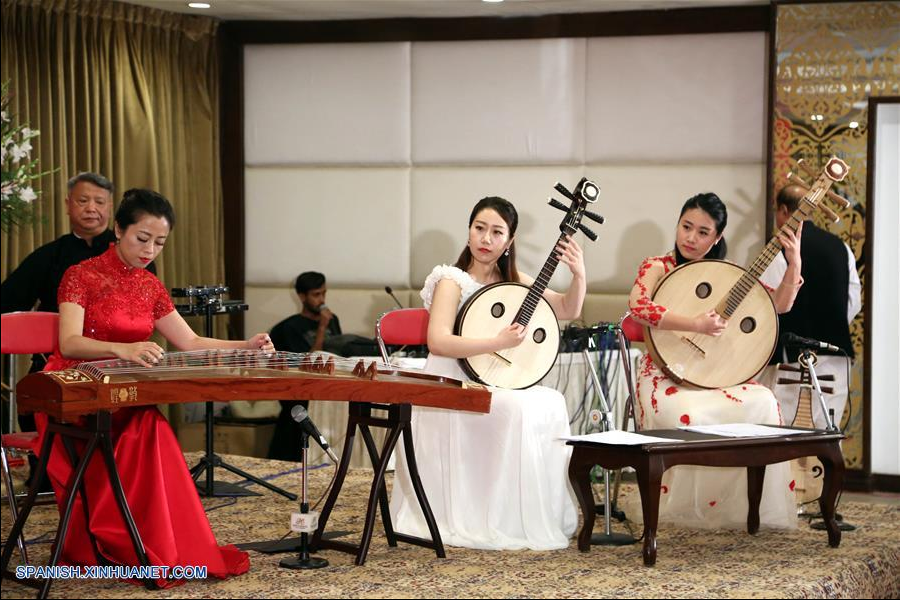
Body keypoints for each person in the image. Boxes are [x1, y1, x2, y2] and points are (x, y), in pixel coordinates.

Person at [35, 188, 274, 586]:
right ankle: (132, 545)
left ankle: (153, 546)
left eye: (159, 243)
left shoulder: (150, 286)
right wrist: (122, 349)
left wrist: (245, 346)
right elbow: (70, 343)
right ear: (118, 229)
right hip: (75, 391)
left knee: (149, 426)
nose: (150, 250)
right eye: (141, 239)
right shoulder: (81, 275)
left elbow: (191, 342)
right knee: (146, 428)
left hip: (124, 393)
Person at [389, 196, 584, 550]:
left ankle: (518, 514)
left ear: (509, 242)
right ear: (468, 233)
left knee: (551, 402)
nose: (486, 238)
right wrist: (495, 341)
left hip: (491, 378)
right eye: (479, 228)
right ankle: (491, 514)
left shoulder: (510, 279)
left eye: (496, 232)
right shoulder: (452, 279)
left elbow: (568, 309)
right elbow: (438, 342)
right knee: (517, 409)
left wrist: (579, 273)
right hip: (449, 382)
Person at [627, 192, 802, 529]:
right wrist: (695, 324)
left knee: (764, 401)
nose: (691, 238)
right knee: (683, 412)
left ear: (718, 237)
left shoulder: (726, 274)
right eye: (686, 226)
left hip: (715, 372)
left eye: (703, 232)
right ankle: (680, 507)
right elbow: (639, 306)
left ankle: (741, 508)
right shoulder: (658, 266)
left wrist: (794, 262)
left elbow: (778, 306)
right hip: (665, 371)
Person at [758, 184, 861, 430]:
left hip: (791, 359)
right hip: (835, 355)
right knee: (826, 434)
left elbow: (769, 307)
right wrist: (829, 328)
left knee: (786, 436)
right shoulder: (841, 247)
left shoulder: (777, 250)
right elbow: (854, 301)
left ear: (783, 210)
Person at [267, 271, 341, 461]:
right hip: (300, 396)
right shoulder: (289, 328)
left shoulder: (334, 320)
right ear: (302, 296)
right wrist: (322, 328)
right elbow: (309, 362)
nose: (322, 299)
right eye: (316, 295)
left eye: (324, 293)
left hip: (327, 392)